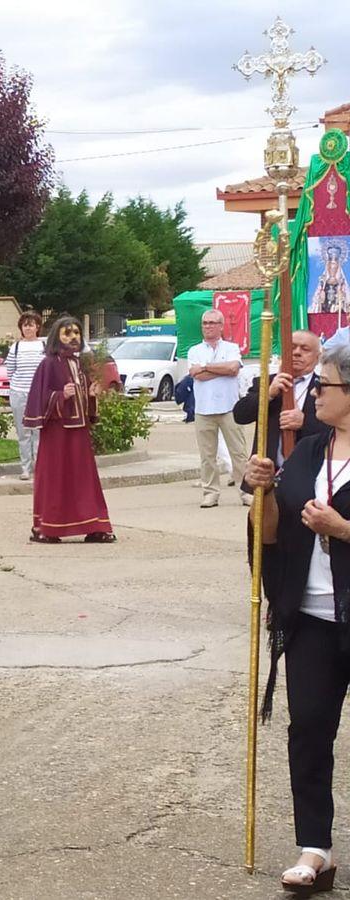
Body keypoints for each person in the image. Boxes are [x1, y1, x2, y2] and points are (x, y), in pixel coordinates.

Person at [245, 342, 350, 893]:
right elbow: (270, 537)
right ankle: (316, 848)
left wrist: (344, 529)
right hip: (310, 617)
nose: (316, 394)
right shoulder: (307, 450)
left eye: (326, 385)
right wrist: (262, 491)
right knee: (308, 730)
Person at [23, 316, 115, 544]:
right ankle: (48, 527)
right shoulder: (48, 364)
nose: (73, 337)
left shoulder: (80, 363)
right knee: (56, 477)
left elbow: (84, 399)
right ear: (57, 336)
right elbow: (38, 398)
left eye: (76, 333)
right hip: (57, 433)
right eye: (67, 333)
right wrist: (59, 396)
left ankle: (93, 524)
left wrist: (91, 395)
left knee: (84, 479)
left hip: (79, 432)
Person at [234, 330, 328, 483]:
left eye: (305, 349)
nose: (297, 353)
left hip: (310, 475)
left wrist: (305, 422)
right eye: (292, 347)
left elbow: (337, 430)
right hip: (267, 476)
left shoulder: (326, 388)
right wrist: (268, 395)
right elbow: (240, 415)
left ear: (317, 357)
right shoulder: (264, 383)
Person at [187, 308, 250, 509]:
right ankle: (210, 493)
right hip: (204, 409)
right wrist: (220, 369)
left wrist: (206, 366)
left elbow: (233, 369)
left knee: (238, 453)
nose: (208, 327)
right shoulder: (194, 350)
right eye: (205, 323)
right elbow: (197, 375)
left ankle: (245, 491)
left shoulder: (231, 348)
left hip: (229, 407)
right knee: (207, 456)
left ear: (221, 326)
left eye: (212, 323)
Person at [6, 311, 46, 481]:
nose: (28, 328)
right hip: (19, 392)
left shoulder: (44, 346)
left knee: (39, 432)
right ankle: (25, 468)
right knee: (23, 433)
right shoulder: (15, 347)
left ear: (37, 327)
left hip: (39, 394)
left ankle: (40, 467)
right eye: (25, 325)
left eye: (31, 324)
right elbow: (10, 371)